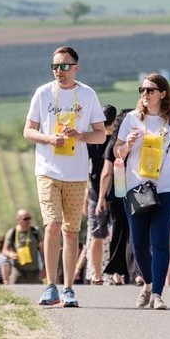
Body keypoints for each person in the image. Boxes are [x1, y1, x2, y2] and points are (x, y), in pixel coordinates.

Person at [24, 46, 108, 308]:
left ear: (76, 67)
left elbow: (101, 134)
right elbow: (28, 130)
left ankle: (69, 288)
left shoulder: (87, 94)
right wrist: (49, 138)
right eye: (54, 66)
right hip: (48, 169)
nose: (58, 71)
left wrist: (80, 135)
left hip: (75, 171)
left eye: (63, 66)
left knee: (71, 231)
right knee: (52, 225)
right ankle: (51, 285)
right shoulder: (42, 93)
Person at [114, 73, 170, 310]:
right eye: (142, 90)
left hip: (166, 186)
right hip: (136, 185)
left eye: (150, 90)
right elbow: (116, 153)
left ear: (163, 93)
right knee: (139, 242)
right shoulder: (130, 119)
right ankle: (148, 283)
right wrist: (127, 144)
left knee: (159, 241)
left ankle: (158, 294)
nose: (145, 94)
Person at [77, 104, 119, 284]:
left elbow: (83, 164)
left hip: (96, 190)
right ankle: (117, 274)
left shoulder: (92, 140)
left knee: (97, 235)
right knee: (118, 234)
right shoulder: (119, 140)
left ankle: (97, 274)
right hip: (118, 191)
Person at [96, 108, 135, 285]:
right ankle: (137, 271)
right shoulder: (138, 143)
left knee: (118, 232)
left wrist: (101, 198)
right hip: (137, 192)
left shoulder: (113, 144)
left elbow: (106, 173)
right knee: (136, 232)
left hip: (117, 193)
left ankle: (117, 272)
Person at [3, 210, 43, 285]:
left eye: (29, 218)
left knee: (36, 293)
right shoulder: (12, 232)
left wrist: (44, 267)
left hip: (34, 271)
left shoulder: (35, 231)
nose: (28, 221)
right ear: (18, 220)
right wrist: (11, 254)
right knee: (14, 291)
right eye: (25, 219)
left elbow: (43, 250)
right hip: (18, 270)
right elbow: (5, 250)